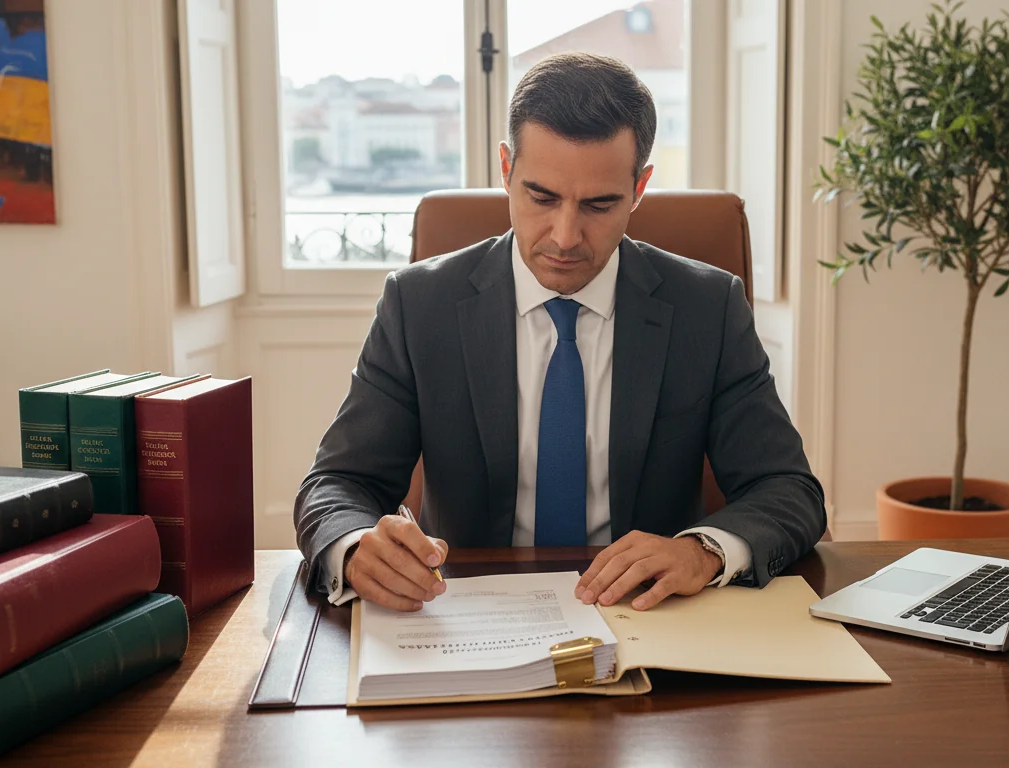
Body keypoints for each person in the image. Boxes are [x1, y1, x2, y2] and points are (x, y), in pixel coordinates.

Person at [293, 51, 825, 614]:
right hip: (467, 618)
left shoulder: (708, 308)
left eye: (599, 204)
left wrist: (702, 552)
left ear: (639, 187)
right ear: (505, 169)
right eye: (541, 197)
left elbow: (789, 491)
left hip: (648, 617)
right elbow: (336, 483)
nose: (566, 237)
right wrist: (354, 548)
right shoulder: (419, 305)